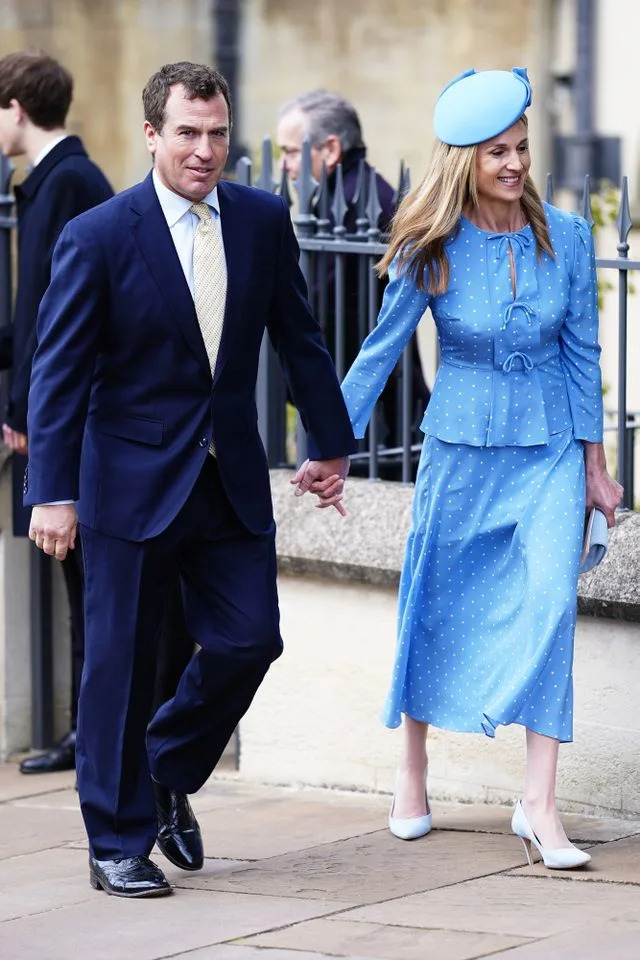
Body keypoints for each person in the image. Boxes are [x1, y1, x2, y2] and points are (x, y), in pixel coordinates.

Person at [25, 61, 354, 899]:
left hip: (229, 477)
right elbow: (58, 375)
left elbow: (300, 336)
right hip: (126, 484)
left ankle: (165, 766)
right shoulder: (99, 234)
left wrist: (332, 442)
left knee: (252, 640)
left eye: (216, 134)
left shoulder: (261, 219)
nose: (205, 151)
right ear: (151, 135)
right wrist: (51, 492)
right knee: (119, 667)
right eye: (187, 133)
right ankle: (117, 841)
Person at [339, 68, 623, 868]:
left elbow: (582, 359)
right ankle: (414, 770)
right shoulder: (432, 242)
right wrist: (331, 444)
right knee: (434, 600)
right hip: (460, 451)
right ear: (465, 158)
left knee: (548, 613)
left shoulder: (565, 236)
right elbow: (380, 351)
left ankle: (538, 804)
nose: (515, 164)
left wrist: (596, 467)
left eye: (522, 148)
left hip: (548, 457)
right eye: (498, 151)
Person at [0, 51, 113, 774]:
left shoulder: (69, 181)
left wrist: (27, 412)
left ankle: (94, 734)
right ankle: (86, 732)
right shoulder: (46, 182)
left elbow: (61, 318)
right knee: (79, 582)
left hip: (73, 421)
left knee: (91, 583)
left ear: (15, 108)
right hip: (52, 416)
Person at [277, 90, 429, 468]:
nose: (284, 167)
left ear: (329, 150)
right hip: (371, 409)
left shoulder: (353, 206)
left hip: (371, 417)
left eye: (292, 152)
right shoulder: (347, 198)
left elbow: (316, 315)